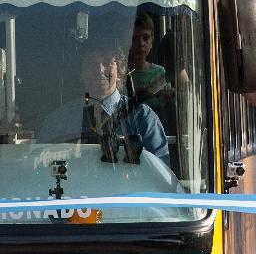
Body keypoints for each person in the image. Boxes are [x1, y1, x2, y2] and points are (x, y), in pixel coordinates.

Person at [41, 39, 170, 166]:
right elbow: (40, 166)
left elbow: (160, 172)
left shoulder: (143, 117)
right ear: (81, 73)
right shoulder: (58, 121)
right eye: (91, 64)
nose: (100, 70)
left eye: (107, 62)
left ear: (120, 71)